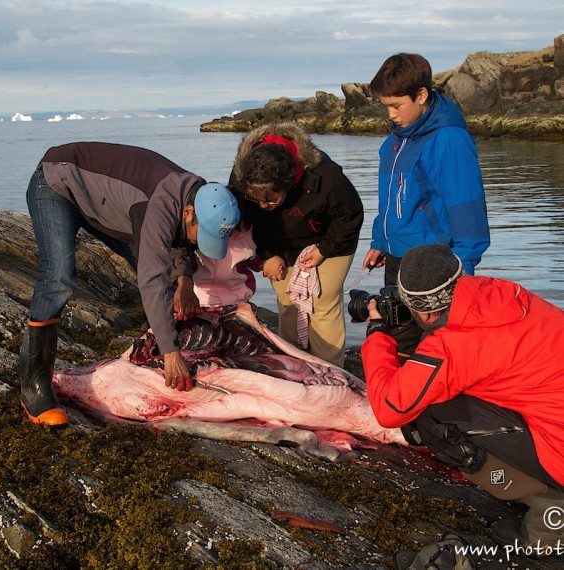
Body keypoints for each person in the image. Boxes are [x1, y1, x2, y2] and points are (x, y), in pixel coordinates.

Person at [21, 141, 240, 426]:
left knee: (169, 278)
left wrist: (185, 282)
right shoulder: (157, 204)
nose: (202, 243)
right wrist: (171, 351)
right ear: (188, 212)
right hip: (57, 184)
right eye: (203, 234)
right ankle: (34, 386)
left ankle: (157, 351)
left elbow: (178, 240)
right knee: (60, 276)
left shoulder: (199, 194)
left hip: (103, 201)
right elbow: (151, 277)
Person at [362, 244, 564, 551]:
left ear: (425, 311)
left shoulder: (451, 346)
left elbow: (391, 409)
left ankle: (551, 517)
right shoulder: (504, 293)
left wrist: (377, 334)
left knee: (431, 418)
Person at [229, 122, 364, 367]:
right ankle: (293, 364)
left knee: (322, 302)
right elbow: (247, 221)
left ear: (290, 183)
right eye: (255, 198)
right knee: (287, 300)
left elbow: (350, 215)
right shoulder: (241, 176)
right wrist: (267, 255)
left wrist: (324, 250)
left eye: (271, 200)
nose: (262, 205)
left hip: (330, 238)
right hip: (277, 242)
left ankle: (329, 369)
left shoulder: (325, 176)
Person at [362, 53, 490, 287]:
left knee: (432, 326)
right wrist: (381, 242)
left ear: (421, 95)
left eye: (396, 106)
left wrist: (462, 268)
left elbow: (467, 208)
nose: (391, 115)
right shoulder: (393, 142)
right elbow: (390, 201)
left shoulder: (449, 139)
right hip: (396, 259)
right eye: (386, 106)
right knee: (391, 322)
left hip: (435, 263)